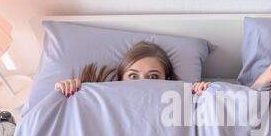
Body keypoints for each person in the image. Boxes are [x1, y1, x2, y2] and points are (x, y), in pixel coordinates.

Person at [54, 41, 210, 97]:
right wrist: (65, 89)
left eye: (153, 77)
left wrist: (202, 94)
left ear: (167, 79)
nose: (142, 83)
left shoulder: (179, 102)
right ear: (121, 78)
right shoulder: (95, 97)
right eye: (133, 76)